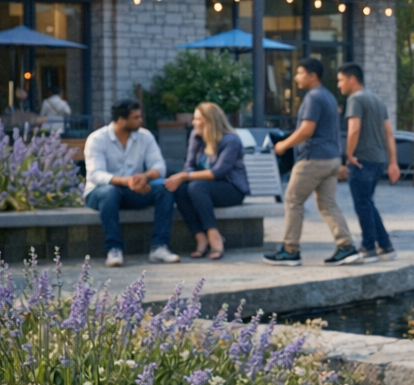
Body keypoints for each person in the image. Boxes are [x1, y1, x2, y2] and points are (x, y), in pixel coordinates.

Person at [264, 58, 359, 266]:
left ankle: (290, 250)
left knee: (293, 200)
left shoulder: (313, 97)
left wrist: (283, 145)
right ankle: (346, 247)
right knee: (327, 203)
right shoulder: (329, 96)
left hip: (313, 159)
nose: (296, 77)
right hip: (332, 159)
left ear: (312, 76)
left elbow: (307, 129)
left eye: (300, 73)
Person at [83, 99, 179, 267]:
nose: (141, 121)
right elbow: (96, 174)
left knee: (165, 188)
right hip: (99, 193)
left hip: (133, 190)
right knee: (110, 192)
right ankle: (114, 249)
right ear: (121, 120)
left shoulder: (145, 136)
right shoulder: (97, 139)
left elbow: (159, 166)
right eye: (136, 117)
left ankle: (159, 247)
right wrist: (126, 181)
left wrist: (145, 177)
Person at [163, 101, 246, 259]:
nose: (193, 123)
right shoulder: (196, 136)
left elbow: (218, 172)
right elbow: (189, 166)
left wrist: (184, 176)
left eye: (197, 119)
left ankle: (214, 236)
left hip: (232, 189)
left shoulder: (231, 141)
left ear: (210, 121)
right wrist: (183, 177)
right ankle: (200, 237)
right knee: (181, 188)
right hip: (202, 189)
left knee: (196, 187)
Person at [337, 62, 400, 263]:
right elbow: (389, 133)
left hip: (362, 159)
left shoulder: (355, 99)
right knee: (368, 203)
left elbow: (354, 129)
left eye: (341, 80)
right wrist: (392, 162)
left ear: (352, 79)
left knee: (363, 205)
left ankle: (369, 247)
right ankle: (386, 246)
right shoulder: (377, 101)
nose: (339, 85)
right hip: (378, 160)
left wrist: (348, 155)